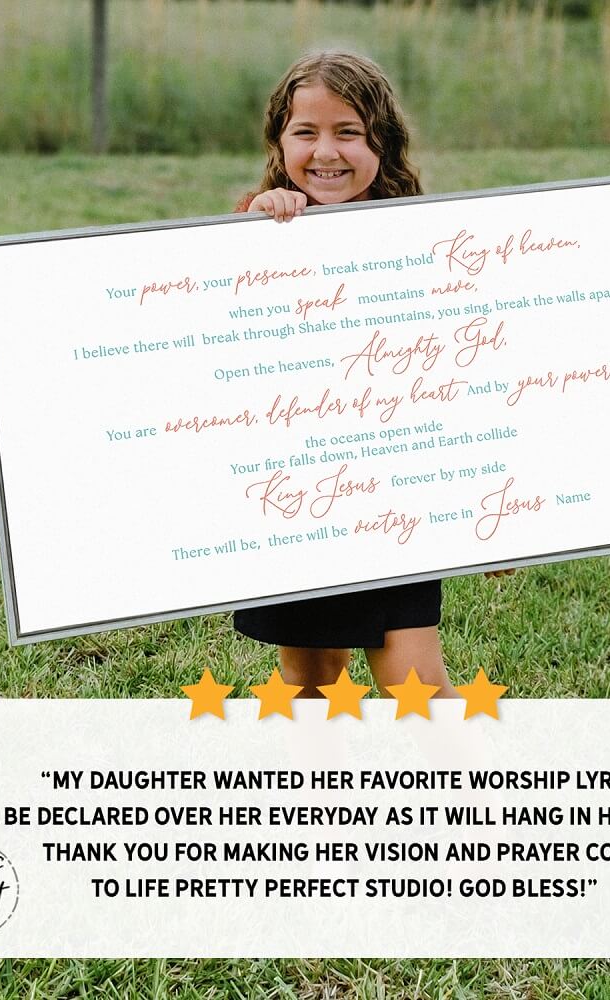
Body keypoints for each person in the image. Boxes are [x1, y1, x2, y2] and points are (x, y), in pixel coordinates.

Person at [231, 51, 506, 700]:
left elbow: (462, 384)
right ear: (279, 142)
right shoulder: (259, 229)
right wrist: (253, 229)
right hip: (297, 501)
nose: (327, 151)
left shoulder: (422, 247)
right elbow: (228, 338)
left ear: (382, 142)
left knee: (417, 679)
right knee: (311, 679)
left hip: (396, 503)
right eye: (306, 132)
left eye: (348, 132)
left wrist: (495, 514)